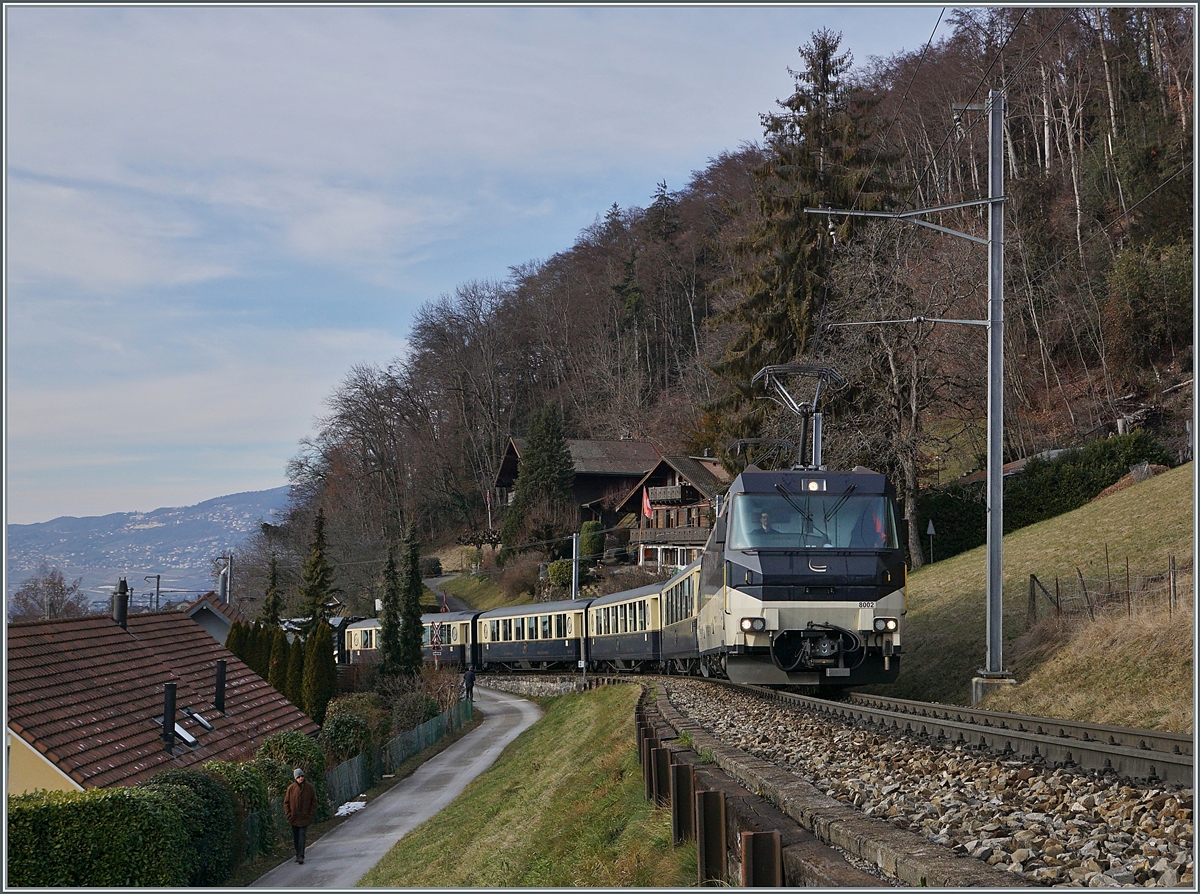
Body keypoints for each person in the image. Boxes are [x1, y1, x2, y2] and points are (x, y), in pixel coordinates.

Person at [284, 767, 317, 865]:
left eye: (302, 776)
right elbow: (286, 803)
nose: (301, 778)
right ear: (295, 778)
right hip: (294, 818)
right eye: (298, 777)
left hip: (304, 818)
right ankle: (297, 854)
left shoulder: (309, 788)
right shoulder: (291, 788)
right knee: (296, 837)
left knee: (302, 836)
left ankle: (301, 856)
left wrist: (310, 815)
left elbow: (314, 802)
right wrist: (289, 815)